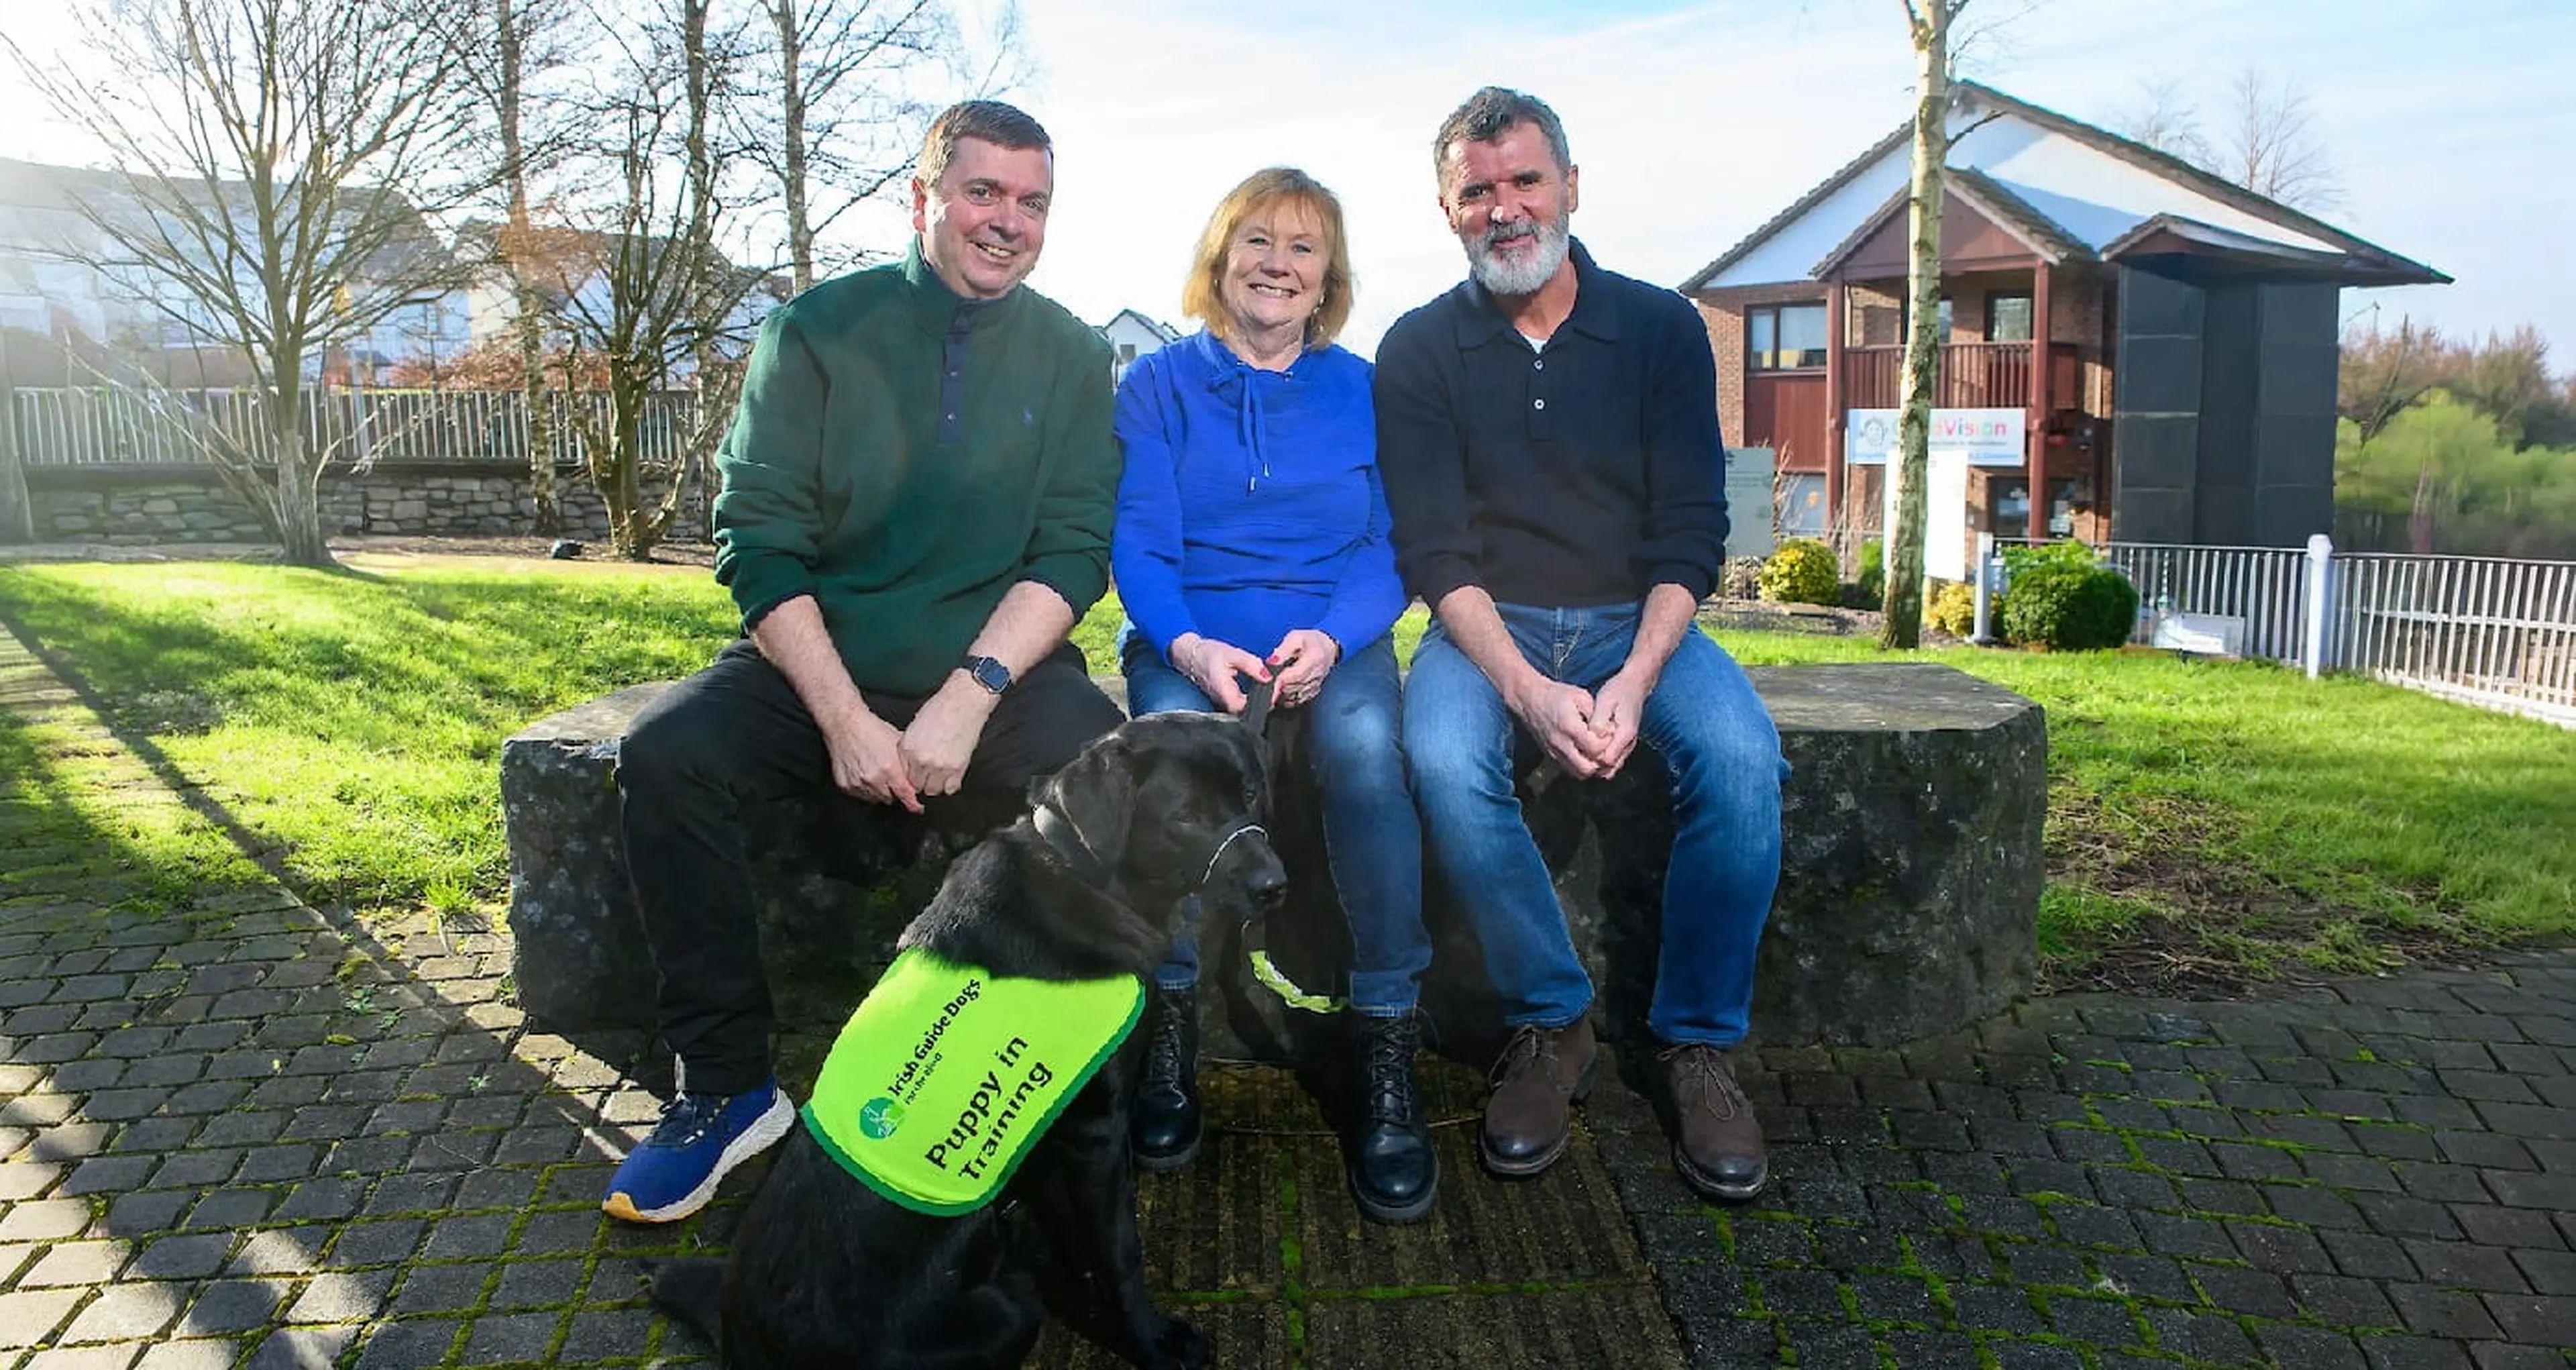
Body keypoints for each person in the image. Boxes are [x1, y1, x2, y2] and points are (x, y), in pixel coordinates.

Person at [602, 99, 1125, 1224]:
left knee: (1100, 772)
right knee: (665, 755)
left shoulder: (1077, 354)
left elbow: (1076, 548)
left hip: (995, 674)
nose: (1008, 222)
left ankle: (1057, 1087)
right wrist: (843, 717)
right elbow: (760, 539)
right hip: (822, 665)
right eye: (983, 192)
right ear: (924, 195)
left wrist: (966, 699)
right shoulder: (813, 330)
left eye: (1032, 202)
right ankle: (727, 1090)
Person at [1372, 87, 1787, 1203]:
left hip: (1635, 617)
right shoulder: (1417, 349)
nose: (1505, 209)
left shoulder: (1658, 329)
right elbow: (1434, 551)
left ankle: (1697, 1043)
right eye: (1478, 191)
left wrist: (1635, 676)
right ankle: (1554, 1019)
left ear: (1569, 187)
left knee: (1744, 759)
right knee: (1444, 757)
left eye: (1524, 181)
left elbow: (1692, 528)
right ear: (1446, 208)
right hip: (1488, 625)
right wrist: (1525, 688)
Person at [1110, 168, 1434, 1223]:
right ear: (1220, 257)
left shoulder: (1364, 387)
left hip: (1331, 639)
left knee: (1369, 765)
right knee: (1169, 781)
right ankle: (1168, 1040)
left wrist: (1334, 638)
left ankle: (1387, 1044)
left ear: (1328, 275)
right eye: (1257, 241)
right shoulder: (1155, 384)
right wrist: (1194, 648)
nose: (1278, 264)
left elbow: (1394, 542)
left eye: (1302, 248)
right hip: (1192, 636)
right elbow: (1141, 547)